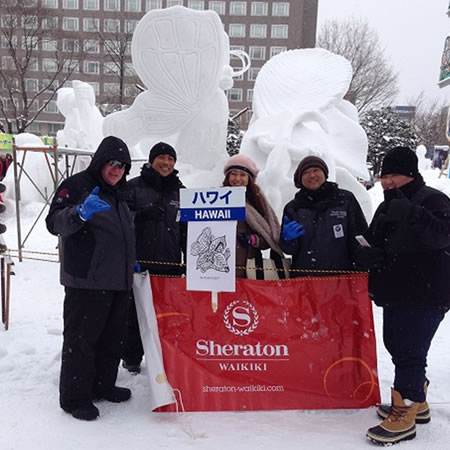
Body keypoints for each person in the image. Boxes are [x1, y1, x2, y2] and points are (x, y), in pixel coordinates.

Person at [356, 146, 450, 445]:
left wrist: (413, 213)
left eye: (393, 175)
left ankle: (405, 410)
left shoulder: (434, 200)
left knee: (410, 349)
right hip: (395, 290)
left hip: (428, 291)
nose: (387, 182)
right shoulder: (385, 205)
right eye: (384, 176)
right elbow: (376, 241)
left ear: (410, 174)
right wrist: (371, 255)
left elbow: (442, 235)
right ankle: (417, 402)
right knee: (397, 344)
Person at [46, 136, 136, 421]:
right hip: (86, 281)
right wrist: (79, 214)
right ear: (100, 162)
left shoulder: (119, 193)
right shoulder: (76, 185)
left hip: (118, 281)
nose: (116, 170)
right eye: (112, 163)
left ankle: (102, 385)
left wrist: (128, 260)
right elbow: (54, 222)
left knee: (112, 339)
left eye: (122, 166)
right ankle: (75, 398)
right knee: (81, 341)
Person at [122, 142, 185, 374]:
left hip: (170, 265)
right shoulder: (132, 188)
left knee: (167, 316)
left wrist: (190, 261)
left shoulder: (182, 192)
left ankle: (164, 358)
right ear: (151, 160)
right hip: (138, 265)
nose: (166, 163)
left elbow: (188, 230)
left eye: (171, 159)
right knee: (134, 316)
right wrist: (139, 216)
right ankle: (131, 359)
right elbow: (119, 220)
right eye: (161, 158)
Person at [280, 156, 367, 276]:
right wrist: (287, 240)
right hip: (305, 280)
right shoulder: (293, 208)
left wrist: (361, 267)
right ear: (300, 179)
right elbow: (289, 250)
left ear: (325, 173)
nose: (312, 175)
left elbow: (360, 237)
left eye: (316, 170)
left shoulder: (345, 200)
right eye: (305, 172)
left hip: (341, 279)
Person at [223, 154, 283, 279]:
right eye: (233, 174)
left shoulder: (257, 200)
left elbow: (268, 235)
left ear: (250, 178)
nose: (237, 179)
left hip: (250, 269)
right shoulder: (215, 199)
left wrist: (253, 240)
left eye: (243, 175)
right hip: (220, 267)